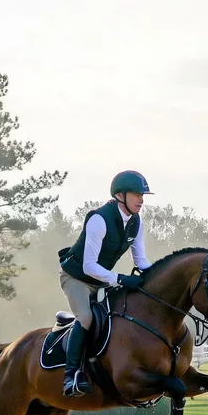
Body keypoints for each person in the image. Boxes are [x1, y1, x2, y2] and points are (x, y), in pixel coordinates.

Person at [57, 170, 153, 397]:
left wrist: (155, 279)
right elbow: (88, 266)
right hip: (76, 277)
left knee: (120, 315)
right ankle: (71, 376)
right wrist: (120, 278)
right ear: (120, 196)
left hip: (101, 281)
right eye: (137, 194)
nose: (142, 199)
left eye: (143, 195)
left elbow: (141, 261)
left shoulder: (136, 223)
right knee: (87, 317)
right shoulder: (99, 220)